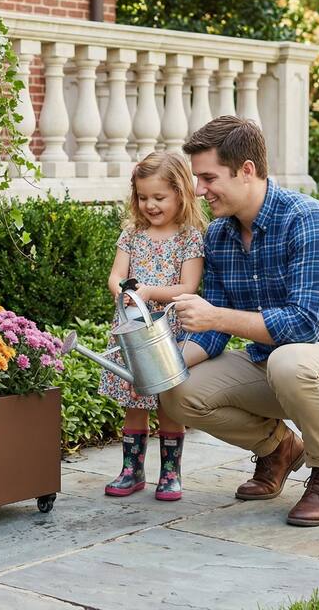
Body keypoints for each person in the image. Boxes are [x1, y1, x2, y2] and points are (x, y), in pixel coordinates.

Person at [161, 116, 319, 526]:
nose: (199, 190)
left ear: (246, 170)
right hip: (269, 367)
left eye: (208, 178)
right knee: (177, 391)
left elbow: (303, 326)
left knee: (290, 359)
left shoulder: (309, 220)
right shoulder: (220, 236)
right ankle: (278, 449)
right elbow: (212, 335)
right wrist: (159, 365)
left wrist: (216, 315)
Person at [100, 151, 208, 501]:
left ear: (181, 193)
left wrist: (147, 292)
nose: (151, 205)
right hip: (133, 330)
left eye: (159, 197)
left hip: (167, 332)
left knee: (168, 403)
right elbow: (116, 276)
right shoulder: (132, 234)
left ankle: (170, 474)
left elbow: (187, 287)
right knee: (135, 399)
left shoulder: (189, 237)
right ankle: (132, 471)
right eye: (143, 197)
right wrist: (124, 292)